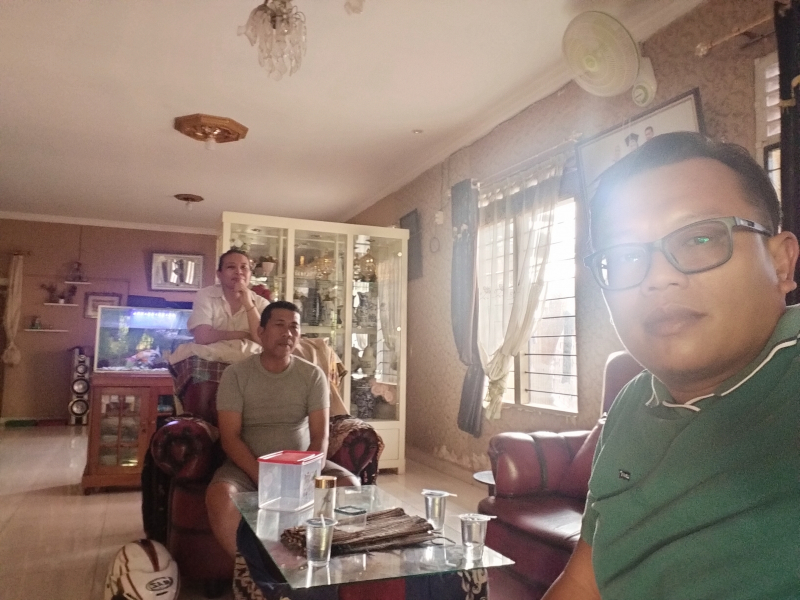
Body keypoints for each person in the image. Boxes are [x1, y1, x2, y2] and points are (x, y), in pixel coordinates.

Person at [543, 132, 799, 599]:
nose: (659, 278)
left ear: (781, 262)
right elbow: (585, 581)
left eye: (700, 238)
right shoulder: (633, 401)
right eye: (625, 256)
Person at [205, 301, 359, 559]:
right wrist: (264, 478)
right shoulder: (236, 375)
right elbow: (230, 438)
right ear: (261, 332)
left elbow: (320, 435)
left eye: (294, 327)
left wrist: (307, 477)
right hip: (248, 467)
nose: (287, 333)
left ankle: (321, 560)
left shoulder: (313, 375)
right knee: (220, 496)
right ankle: (253, 569)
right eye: (279, 325)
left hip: (302, 466)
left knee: (351, 487)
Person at [187, 249, 269, 346]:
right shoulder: (206, 295)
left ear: (250, 274)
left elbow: (263, 340)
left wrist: (249, 304)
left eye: (244, 267)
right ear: (219, 274)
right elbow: (202, 337)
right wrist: (243, 335)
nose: (239, 272)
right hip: (211, 355)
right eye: (231, 267)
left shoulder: (261, 303)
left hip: (249, 356)